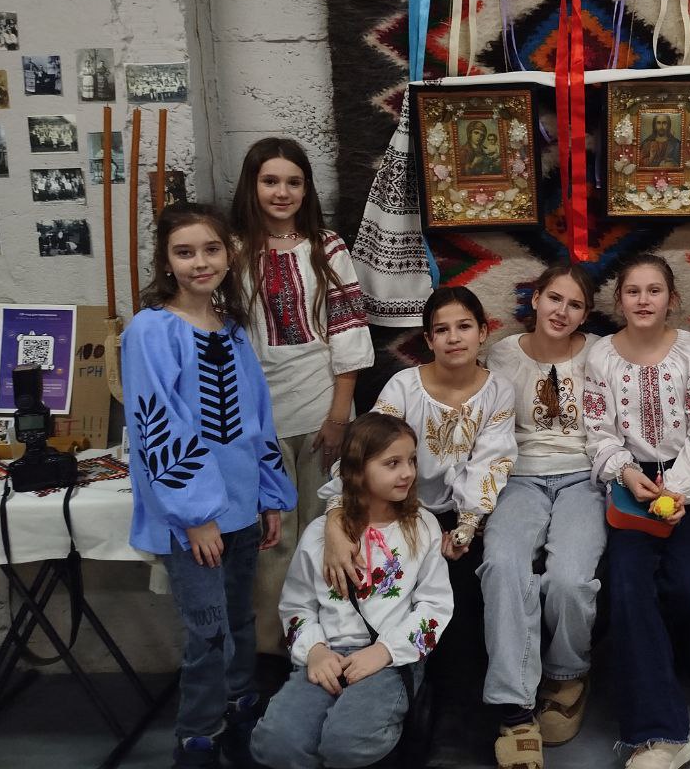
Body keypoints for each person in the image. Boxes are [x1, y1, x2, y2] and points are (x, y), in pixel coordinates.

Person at [121, 203, 298, 769]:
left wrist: (269, 495)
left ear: (229, 254)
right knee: (208, 630)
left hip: (243, 507)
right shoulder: (151, 330)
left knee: (242, 619)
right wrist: (196, 515)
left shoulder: (233, 328)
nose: (200, 262)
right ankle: (197, 733)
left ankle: (240, 707)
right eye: (185, 252)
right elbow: (156, 423)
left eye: (211, 249)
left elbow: (257, 418)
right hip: (193, 517)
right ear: (165, 262)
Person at [321, 286, 518, 744]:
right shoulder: (404, 386)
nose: (453, 338)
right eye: (441, 330)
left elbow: (491, 461)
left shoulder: (498, 390)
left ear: (483, 332)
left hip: (462, 517)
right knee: (387, 589)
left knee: (465, 596)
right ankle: (393, 699)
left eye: (464, 326)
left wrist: (466, 526)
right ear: (428, 340)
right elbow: (367, 450)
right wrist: (334, 518)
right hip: (398, 514)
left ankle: (458, 711)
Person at [229, 138, 375, 674]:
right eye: (270, 181)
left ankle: (334, 643)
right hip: (256, 417)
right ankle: (275, 650)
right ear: (252, 185)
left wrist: (338, 417)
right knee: (271, 537)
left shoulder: (326, 247)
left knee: (325, 530)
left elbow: (349, 334)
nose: (282, 192)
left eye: (293, 182)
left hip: (321, 409)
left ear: (307, 188)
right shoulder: (231, 249)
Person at [584, 254, 690, 769]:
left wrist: (679, 489)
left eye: (654, 291)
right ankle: (661, 733)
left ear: (673, 300)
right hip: (631, 485)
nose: (644, 300)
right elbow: (597, 432)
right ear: (618, 300)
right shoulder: (601, 356)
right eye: (633, 291)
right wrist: (627, 473)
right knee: (629, 588)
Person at [250, 412, 453, 769]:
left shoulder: (423, 526)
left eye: (411, 460)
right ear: (358, 470)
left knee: (347, 744)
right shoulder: (320, 533)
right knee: (276, 745)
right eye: (392, 463)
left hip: (389, 658)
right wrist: (314, 651)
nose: (407, 472)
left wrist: (385, 651)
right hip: (326, 655)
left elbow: (435, 605)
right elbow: (297, 605)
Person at [479, 264, 605, 768]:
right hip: (520, 476)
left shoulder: (600, 352)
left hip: (583, 476)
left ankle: (567, 672)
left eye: (575, 305)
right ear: (535, 299)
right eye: (554, 298)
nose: (562, 311)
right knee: (502, 565)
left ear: (585, 314)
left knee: (570, 579)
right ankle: (514, 705)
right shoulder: (502, 353)